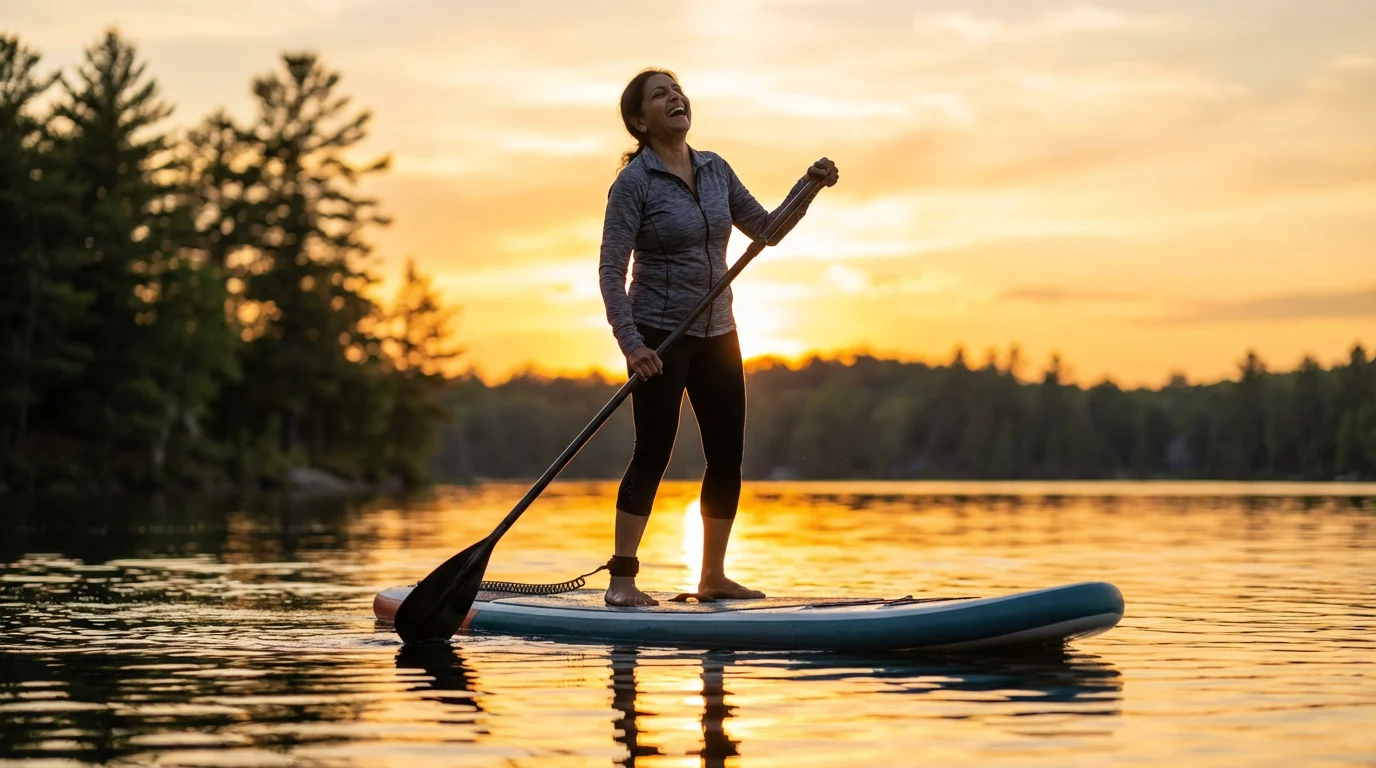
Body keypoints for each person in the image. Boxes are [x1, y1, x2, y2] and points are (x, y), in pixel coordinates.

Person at [597, 68, 839, 606]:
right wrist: (632, 345)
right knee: (652, 452)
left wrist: (809, 187)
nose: (675, 98)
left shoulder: (715, 169)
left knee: (727, 454)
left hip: (719, 331)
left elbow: (767, 231)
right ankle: (622, 581)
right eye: (659, 95)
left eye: (677, 90)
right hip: (660, 336)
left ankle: (712, 577)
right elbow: (611, 271)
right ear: (639, 121)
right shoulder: (634, 184)